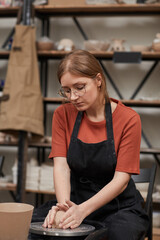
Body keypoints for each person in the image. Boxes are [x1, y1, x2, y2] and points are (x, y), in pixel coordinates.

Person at [33, 50, 149, 240]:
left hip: (119, 208)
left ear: (98, 80)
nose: (72, 97)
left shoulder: (129, 119)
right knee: (33, 228)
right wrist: (65, 209)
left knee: (120, 235)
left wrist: (82, 211)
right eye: (67, 90)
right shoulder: (62, 115)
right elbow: (61, 168)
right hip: (75, 202)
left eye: (80, 87)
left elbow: (121, 181)